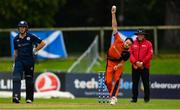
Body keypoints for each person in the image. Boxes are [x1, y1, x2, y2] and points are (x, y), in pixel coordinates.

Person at [105, 5, 133, 105]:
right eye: (127, 42)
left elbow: (122, 62)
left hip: (118, 65)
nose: (127, 44)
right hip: (109, 62)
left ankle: (113, 97)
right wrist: (113, 14)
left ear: (130, 46)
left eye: (129, 44)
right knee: (107, 82)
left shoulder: (127, 53)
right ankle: (112, 95)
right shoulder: (118, 39)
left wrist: (118, 66)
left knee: (116, 80)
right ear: (124, 41)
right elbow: (114, 27)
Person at [12, 21, 46, 103]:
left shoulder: (31, 36)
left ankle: (29, 98)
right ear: (18, 28)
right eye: (20, 27)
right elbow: (15, 52)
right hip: (19, 61)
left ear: (26, 28)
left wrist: (35, 50)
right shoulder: (16, 39)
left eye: (23, 27)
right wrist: (14, 62)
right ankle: (16, 96)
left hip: (29, 61)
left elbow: (43, 43)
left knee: (29, 79)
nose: (22, 28)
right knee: (16, 77)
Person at [129, 29, 153, 103]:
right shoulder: (132, 43)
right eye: (139, 34)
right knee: (135, 83)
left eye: (141, 34)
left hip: (145, 66)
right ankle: (134, 98)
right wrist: (136, 62)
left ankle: (146, 98)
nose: (140, 36)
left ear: (144, 35)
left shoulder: (148, 43)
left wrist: (142, 62)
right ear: (137, 35)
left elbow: (150, 54)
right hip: (135, 66)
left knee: (145, 83)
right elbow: (130, 54)